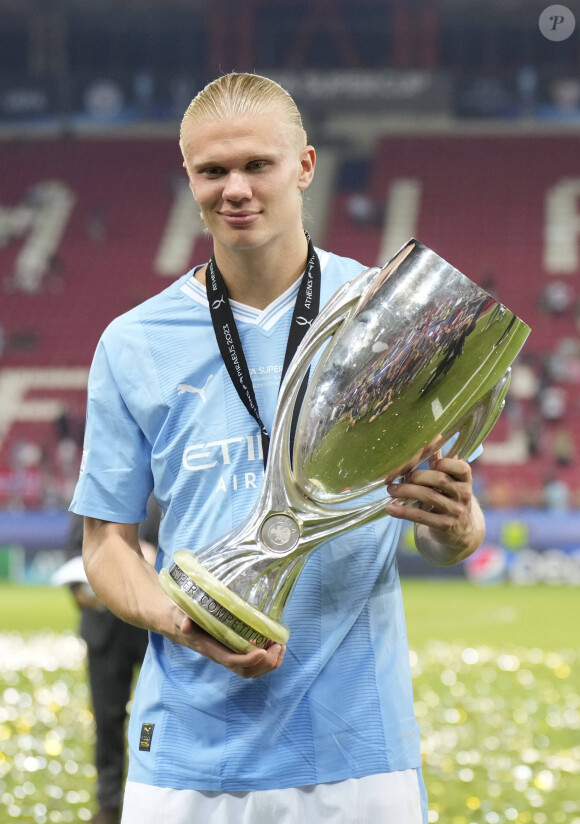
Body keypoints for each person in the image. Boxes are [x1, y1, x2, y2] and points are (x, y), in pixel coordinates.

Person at [70, 72, 485, 824]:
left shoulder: (392, 312)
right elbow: (106, 545)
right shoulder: (132, 343)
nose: (235, 189)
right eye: (212, 170)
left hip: (358, 752)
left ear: (305, 166)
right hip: (188, 757)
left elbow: (447, 531)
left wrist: (457, 526)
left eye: (257, 165)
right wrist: (177, 618)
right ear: (188, 175)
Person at [59, 499, 160, 824]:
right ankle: (109, 804)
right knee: (107, 720)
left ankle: (152, 793)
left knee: (154, 720)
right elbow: (75, 553)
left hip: (152, 631)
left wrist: (150, 555)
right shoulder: (93, 495)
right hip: (104, 629)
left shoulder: (165, 493)